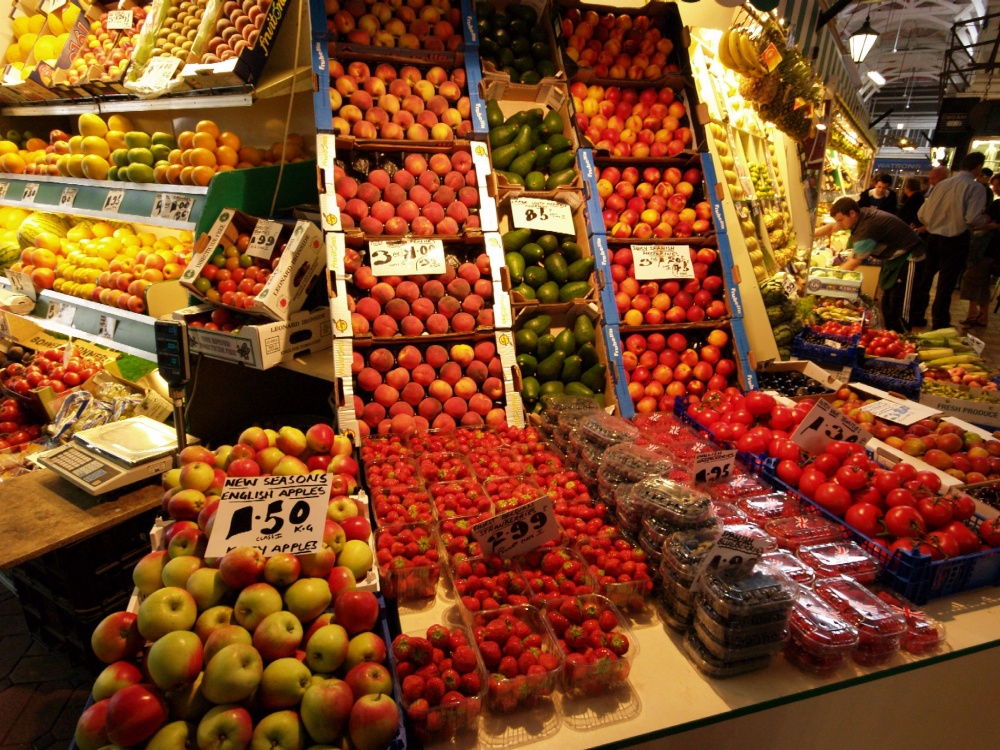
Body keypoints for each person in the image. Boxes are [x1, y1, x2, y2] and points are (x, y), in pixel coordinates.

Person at [815, 198, 925, 332]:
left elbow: (855, 261)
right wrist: (810, 235)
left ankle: (904, 338)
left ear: (852, 213)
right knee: (888, 304)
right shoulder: (859, 216)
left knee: (900, 306)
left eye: (840, 220)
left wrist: (828, 279)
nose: (839, 224)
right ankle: (891, 335)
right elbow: (832, 227)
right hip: (894, 259)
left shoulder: (866, 227)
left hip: (910, 257)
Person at [912, 152, 988, 329]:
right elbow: (972, 218)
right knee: (945, 284)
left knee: (926, 279)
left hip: (934, 238)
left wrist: (934, 224)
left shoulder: (943, 184)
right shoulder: (976, 188)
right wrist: (985, 221)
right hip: (956, 240)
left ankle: (916, 315)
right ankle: (939, 322)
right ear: (978, 167)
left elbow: (922, 214)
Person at [958, 175, 1000, 327]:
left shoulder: (996, 205)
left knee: (971, 278)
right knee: (982, 282)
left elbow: (991, 224)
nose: (995, 188)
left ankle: (973, 313)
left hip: (987, 249)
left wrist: (977, 226)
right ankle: (982, 315)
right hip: (990, 249)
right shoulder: (995, 203)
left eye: (997, 185)